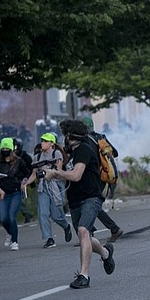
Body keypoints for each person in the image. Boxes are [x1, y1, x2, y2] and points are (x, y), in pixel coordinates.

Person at [44, 120, 115, 289]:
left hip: (91, 198)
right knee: (87, 237)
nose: (64, 138)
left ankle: (84, 275)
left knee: (83, 231)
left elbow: (76, 175)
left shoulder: (83, 149)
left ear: (70, 135)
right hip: (75, 200)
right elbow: (68, 174)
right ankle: (105, 253)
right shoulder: (71, 153)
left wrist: (55, 173)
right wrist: (54, 172)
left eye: (65, 135)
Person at [26, 133, 73, 248]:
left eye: (46, 141)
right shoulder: (37, 157)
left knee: (56, 215)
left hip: (55, 186)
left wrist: (49, 173)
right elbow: (34, 174)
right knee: (43, 213)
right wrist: (26, 183)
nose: (43, 143)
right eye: (42, 141)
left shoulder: (56, 153)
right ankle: (49, 238)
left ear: (52, 143)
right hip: (43, 187)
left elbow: (58, 170)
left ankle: (66, 226)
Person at [81, 116, 124, 242]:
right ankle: (92, 231)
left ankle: (112, 229)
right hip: (104, 175)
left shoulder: (85, 141)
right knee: (92, 204)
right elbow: (115, 153)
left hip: (92, 177)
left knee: (91, 204)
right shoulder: (101, 137)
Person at [0, 137, 31, 251]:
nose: (5, 150)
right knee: (3, 218)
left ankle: (15, 241)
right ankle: (10, 233)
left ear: (12, 149)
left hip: (15, 192)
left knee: (12, 217)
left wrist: (24, 180)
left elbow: (27, 171)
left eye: (7, 148)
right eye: (3, 148)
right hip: (2, 194)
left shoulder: (18, 161)